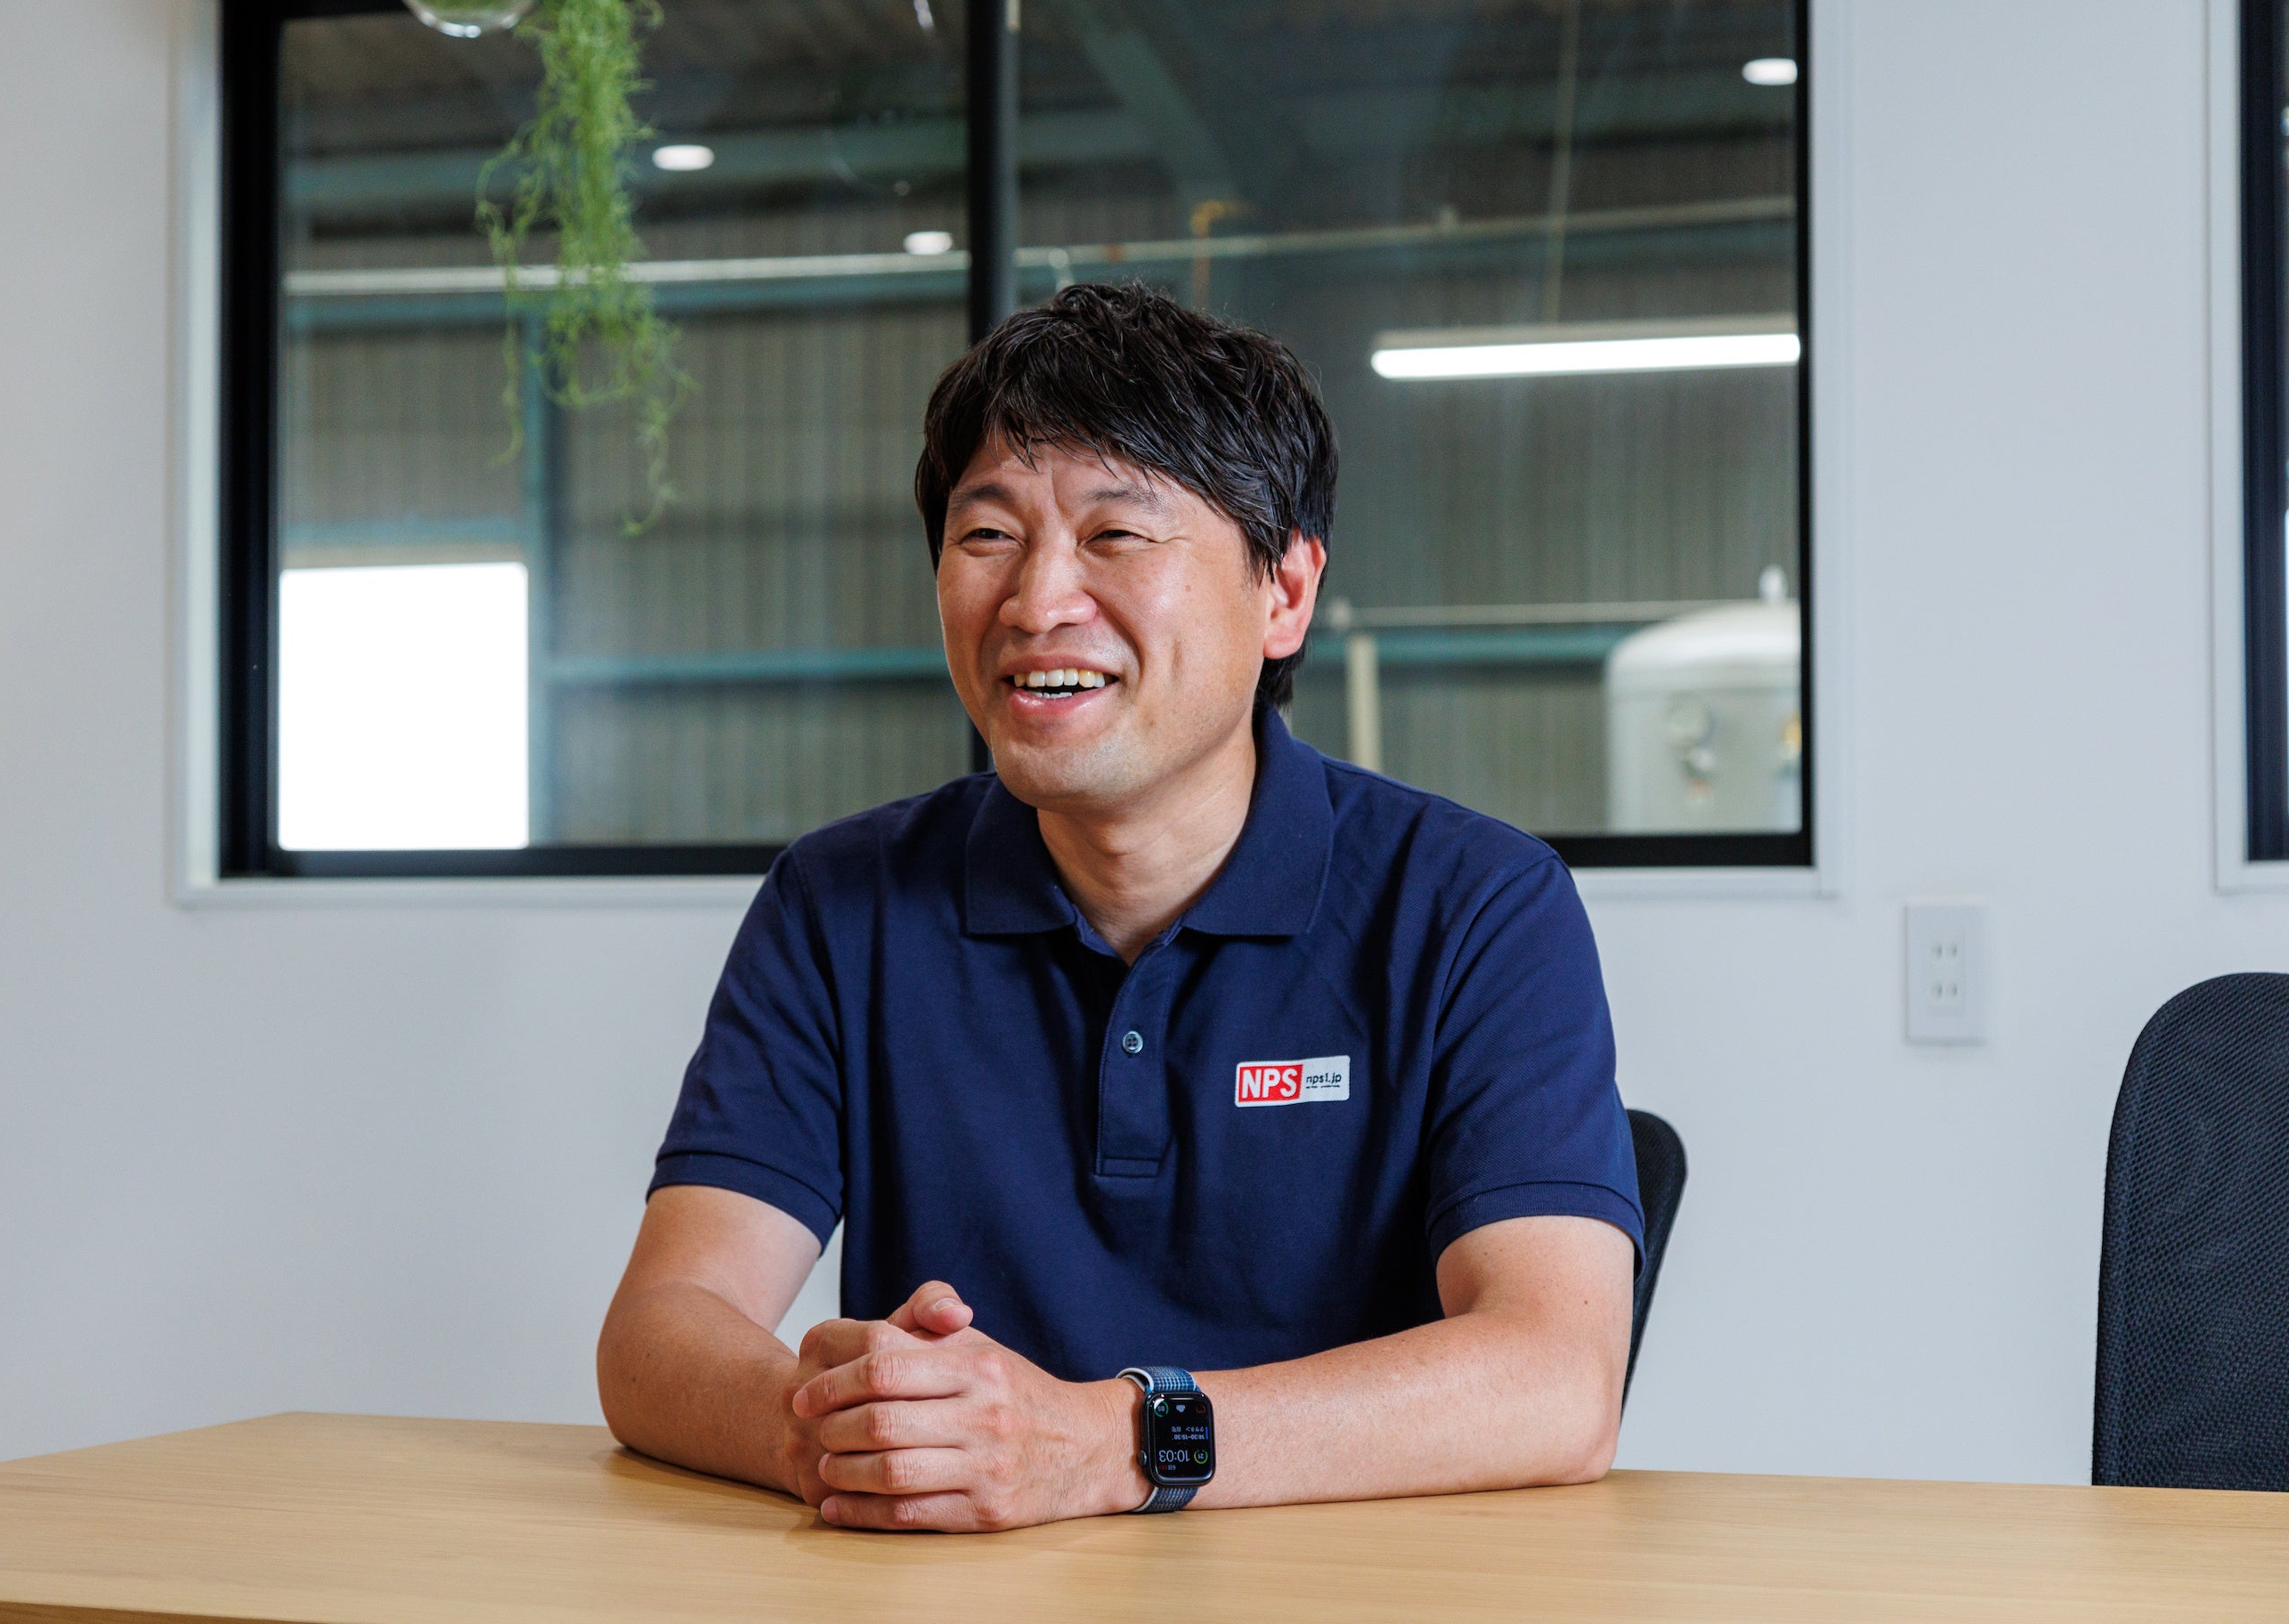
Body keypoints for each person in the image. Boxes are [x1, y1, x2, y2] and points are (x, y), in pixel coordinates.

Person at [596, 282, 1641, 1533]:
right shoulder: (841, 904)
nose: (1036, 602)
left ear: (1284, 591)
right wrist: (839, 1428)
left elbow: (1556, 1379)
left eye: (1117, 535)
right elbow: (661, 1331)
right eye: (988, 535)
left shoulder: (1478, 907)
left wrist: (1099, 1446)